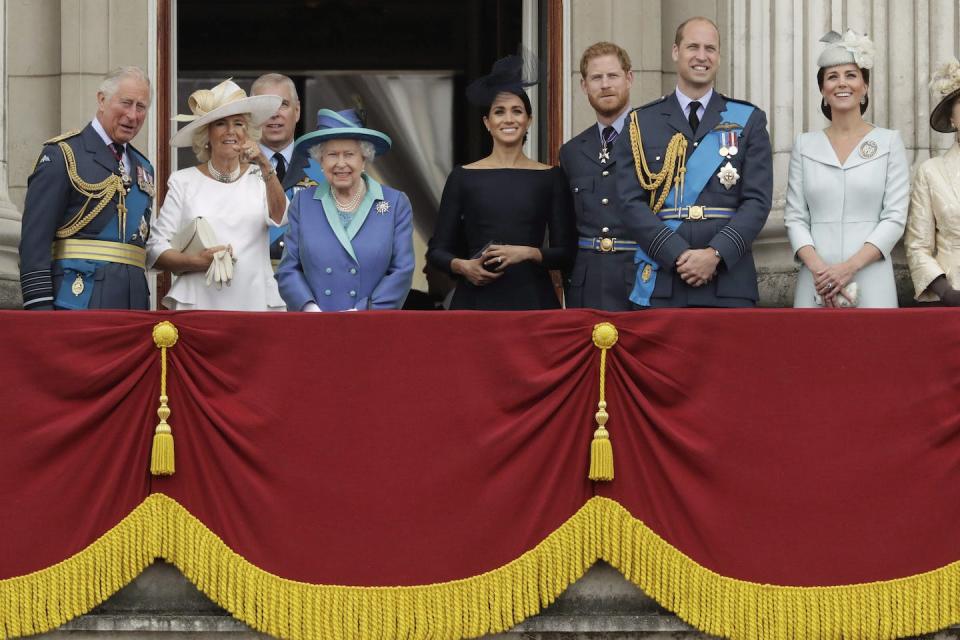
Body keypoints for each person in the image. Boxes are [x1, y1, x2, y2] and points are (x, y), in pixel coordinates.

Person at [615, 17, 772, 308]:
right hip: (663, 279)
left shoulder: (748, 119)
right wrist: (676, 254)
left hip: (728, 281)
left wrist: (714, 255)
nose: (702, 56)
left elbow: (757, 202)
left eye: (710, 48)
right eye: (693, 47)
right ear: (676, 52)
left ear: (719, 56)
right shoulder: (641, 122)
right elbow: (629, 202)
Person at [427, 54, 576, 310]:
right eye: (499, 112)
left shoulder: (551, 177)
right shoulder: (463, 176)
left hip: (532, 303)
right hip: (475, 303)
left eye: (517, 111)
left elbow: (567, 252)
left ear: (528, 119)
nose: (509, 119)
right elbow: (437, 251)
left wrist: (528, 252)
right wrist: (464, 266)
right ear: (487, 122)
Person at [784, 30, 908, 308]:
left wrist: (849, 267)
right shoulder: (805, 145)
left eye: (851, 75)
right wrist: (820, 270)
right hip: (816, 280)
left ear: (864, 86)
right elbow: (795, 217)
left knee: (872, 350)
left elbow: (895, 218)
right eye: (832, 76)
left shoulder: (888, 142)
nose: (842, 83)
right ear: (823, 90)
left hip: (871, 276)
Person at [18, 66, 155, 310]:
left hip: (134, 306)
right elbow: (34, 242)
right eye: (126, 103)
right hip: (78, 301)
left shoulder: (143, 167)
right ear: (102, 100)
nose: (133, 115)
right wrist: (39, 311)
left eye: (141, 107)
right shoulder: (64, 155)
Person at [146, 79, 287, 311]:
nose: (231, 131)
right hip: (199, 305)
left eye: (239, 123)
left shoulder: (261, 176)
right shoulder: (184, 181)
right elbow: (156, 250)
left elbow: (281, 217)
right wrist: (196, 262)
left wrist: (263, 163)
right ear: (206, 134)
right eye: (221, 123)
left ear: (248, 132)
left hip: (255, 302)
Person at [276, 108, 414, 311]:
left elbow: (402, 270)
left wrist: (363, 311)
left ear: (364, 159)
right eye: (332, 155)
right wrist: (309, 309)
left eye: (349, 154)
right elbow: (288, 268)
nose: (341, 164)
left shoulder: (395, 203)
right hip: (316, 324)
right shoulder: (303, 203)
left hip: (371, 323)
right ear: (321, 161)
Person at [560, 42, 637, 311]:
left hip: (641, 280)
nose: (605, 85)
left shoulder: (655, 138)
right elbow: (566, 229)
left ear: (629, 78)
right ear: (584, 86)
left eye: (612, 76)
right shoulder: (571, 152)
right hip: (588, 284)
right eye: (596, 77)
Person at [904, 57, 960, 306]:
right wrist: (948, 293)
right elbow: (917, 246)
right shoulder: (931, 171)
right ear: (952, 118)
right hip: (953, 299)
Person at [251, 73, 304, 264]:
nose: (275, 113)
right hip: (249, 282)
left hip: (305, 285)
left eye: (283, 104)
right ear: (251, 114)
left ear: (297, 111)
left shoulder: (322, 169)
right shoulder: (234, 167)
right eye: (266, 106)